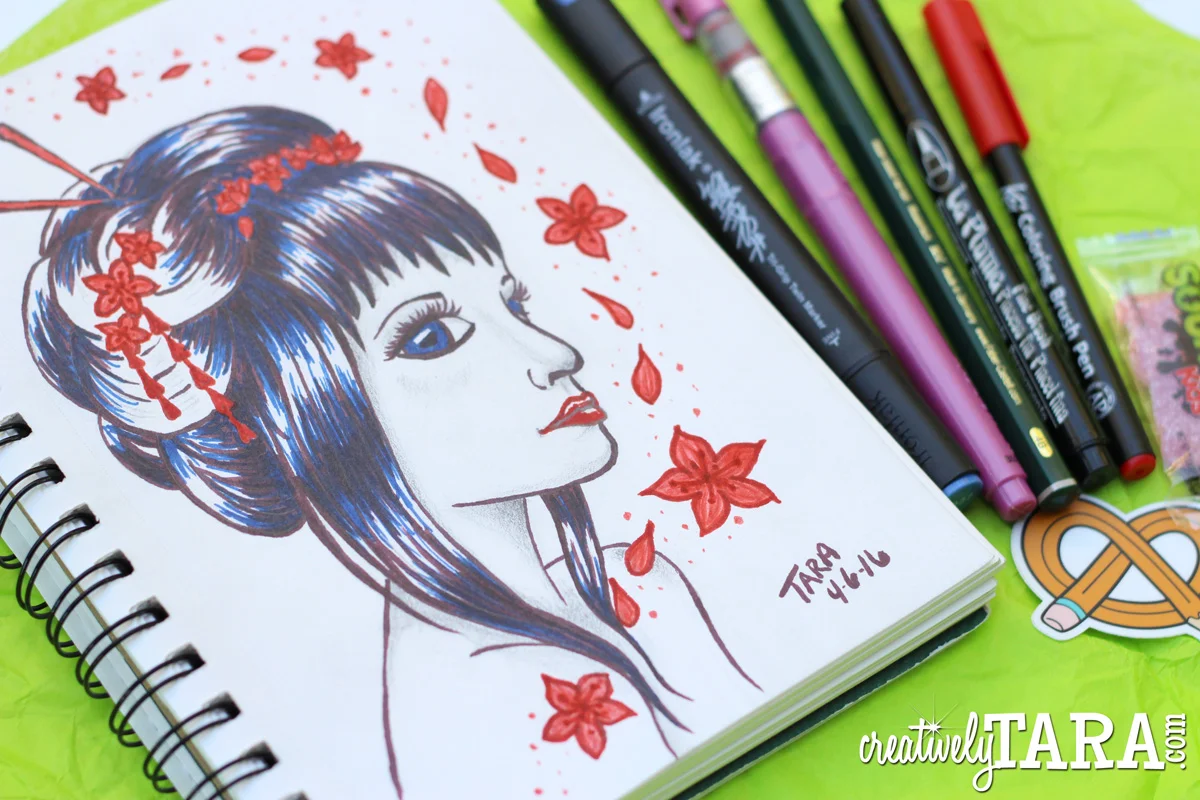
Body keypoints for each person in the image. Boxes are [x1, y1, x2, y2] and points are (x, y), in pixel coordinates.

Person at [13, 106, 759, 797]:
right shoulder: (480, 695)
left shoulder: (638, 581)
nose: (556, 353)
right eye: (431, 337)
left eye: (514, 303)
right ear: (296, 419)